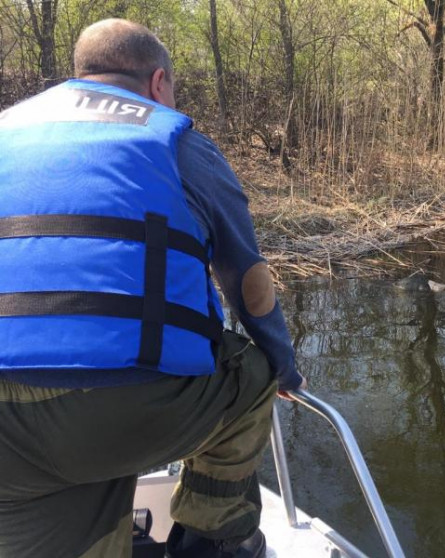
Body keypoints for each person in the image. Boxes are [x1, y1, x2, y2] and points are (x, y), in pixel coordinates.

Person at [0, 18, 305, 558]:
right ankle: (212, 542)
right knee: (253, 375)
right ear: (158, 81)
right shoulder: (178, 144)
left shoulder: (8, 129)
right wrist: (284, 365)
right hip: (122, 409)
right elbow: (249, 283)